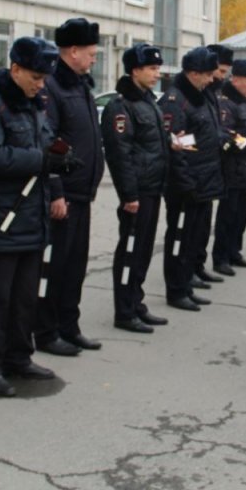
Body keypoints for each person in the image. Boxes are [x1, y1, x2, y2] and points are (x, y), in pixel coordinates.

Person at [0, 37, 73, 397]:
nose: (40, 85)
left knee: (25, 296)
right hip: (2, 218)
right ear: (15, 69)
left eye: (44, 79)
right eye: (35, 77)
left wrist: (59, 169)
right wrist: (42, 161)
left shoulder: (34, 107)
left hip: (33, 216)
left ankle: (19, 356)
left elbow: (46, 149)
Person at [37, 18, 106, 356]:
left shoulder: (80, 85)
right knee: (56, 266)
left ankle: (69, 325)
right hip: (64, 195)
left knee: (75, 267)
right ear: (73, 51)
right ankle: (46, 331)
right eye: (91, 53)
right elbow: (48, 141)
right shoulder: (52, 86)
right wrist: (56, 190)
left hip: (82, 193)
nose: (94, 59)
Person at [100, 43, 172, 333]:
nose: (157, 74)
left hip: (153, 187)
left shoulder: (148, 102)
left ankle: (136, 302)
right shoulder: (121, 106)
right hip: (137, 192)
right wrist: (128, 195)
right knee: (130, 250)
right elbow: (120, 154)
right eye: (152, 69)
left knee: (143, 250)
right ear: (135, 71)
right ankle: (125, 311)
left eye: (158, 68)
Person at [160, 47, 226, 312]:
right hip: (186, 185)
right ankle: (176, 290)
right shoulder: (176, 101)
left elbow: (199, 137)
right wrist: (186, 182)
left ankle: (186, 284)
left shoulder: (200, 96)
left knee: (193, 239)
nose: (211, 79)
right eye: (207, 75)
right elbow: (175, 145)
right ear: (193, 73)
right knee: (179, 239)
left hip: (204, 181)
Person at [213, 59, 246, 276]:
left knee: (241, 215)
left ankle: (234, 251)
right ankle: (221, 257)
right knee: (228, 216)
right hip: (232, 169)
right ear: (235, 80)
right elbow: (226, 135)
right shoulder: (227, 103)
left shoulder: (244, 102)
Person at [191, 44, 235, 290]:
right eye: (219, 71)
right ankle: (186, 274)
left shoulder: (211, 95)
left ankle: (197, 266)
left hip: (210, 170)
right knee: (189, 231)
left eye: (225, 71)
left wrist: (223, 138)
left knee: (202, 227)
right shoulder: (190, 96)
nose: (220, 77)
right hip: (195, 173)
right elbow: (181, 137)